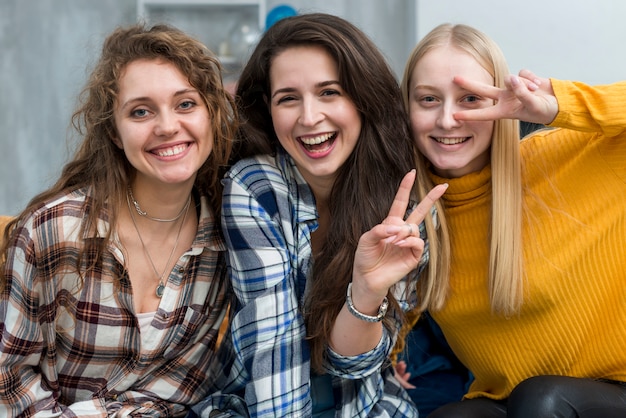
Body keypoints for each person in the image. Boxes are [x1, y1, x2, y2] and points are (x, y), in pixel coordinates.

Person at [192, 12, 447, 418]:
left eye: (329, 92)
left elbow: (356, 366)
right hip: (254, 404)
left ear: (362, 98)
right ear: (268, 110)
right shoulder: (255, 187)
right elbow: (274, 353)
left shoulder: (406, 204)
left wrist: (366, 291)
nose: (309, 118)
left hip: (364, 404)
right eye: (288, 98)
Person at [0, 23, 236, 417]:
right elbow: (9, 379)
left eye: (185, 104)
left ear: (211, 114)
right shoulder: (54, 231)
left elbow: (180, 387)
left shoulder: (223, 242)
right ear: (113, 131)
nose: (167, 126)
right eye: (140, 111)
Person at [397, 22, 626, 417]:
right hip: (508, 402)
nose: (448, 119)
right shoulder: (414, 212)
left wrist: (560, 103)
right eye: (429, 100)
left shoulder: (568, 157)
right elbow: (387, 319)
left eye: (470, 98)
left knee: (541, 399)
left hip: (608, 391)